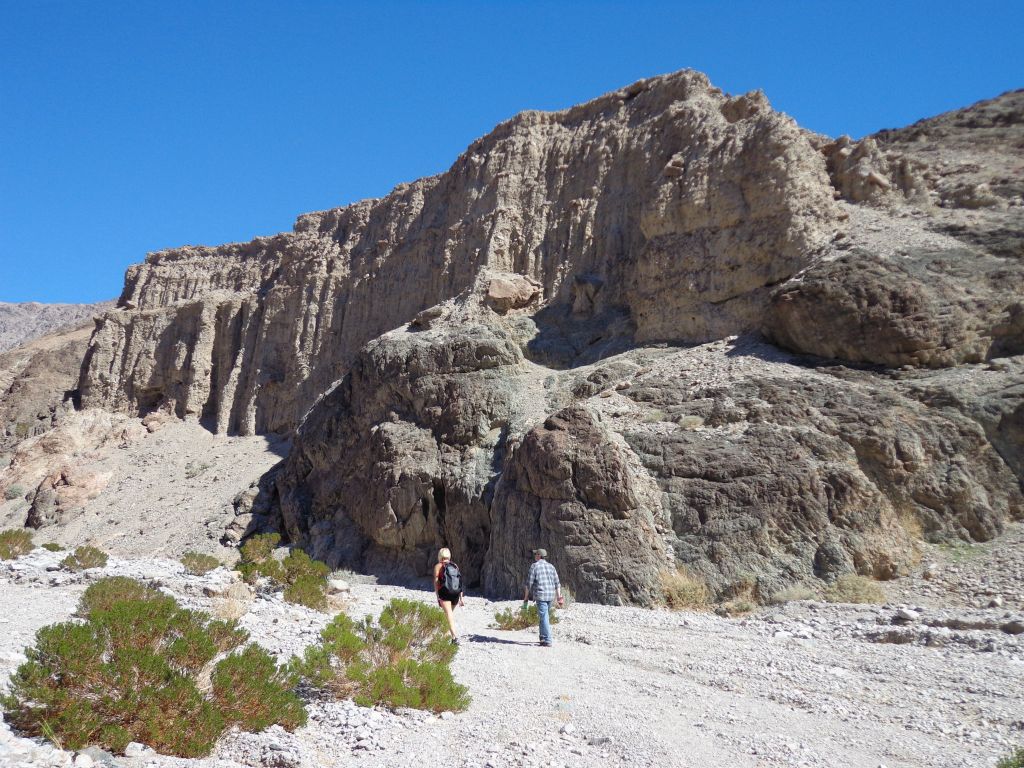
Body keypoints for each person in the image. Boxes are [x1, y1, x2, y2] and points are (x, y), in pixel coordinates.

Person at [522, 548, 564, 647]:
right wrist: (559, 597)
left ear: (539, 556)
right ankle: (542, 638)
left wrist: (526, 598)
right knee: (544, 616)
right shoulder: (551, 567)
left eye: (535, 554)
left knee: (544, 617)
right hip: (551, 596)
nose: (534, 556)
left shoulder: (534, 566)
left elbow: (529, 584)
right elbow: (557, 583)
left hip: (541, 595)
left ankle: (548, 640)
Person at [433, 547, 464, 645]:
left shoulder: (438, 566)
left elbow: (436, 581)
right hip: (455, 594)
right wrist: (461, 598)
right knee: (449, 614)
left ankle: (454, 637)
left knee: (449, 615)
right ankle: (445, 636)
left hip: (445, 593)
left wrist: (437, 595)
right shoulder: (455, 566)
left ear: (440, 556)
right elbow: (459, 582)